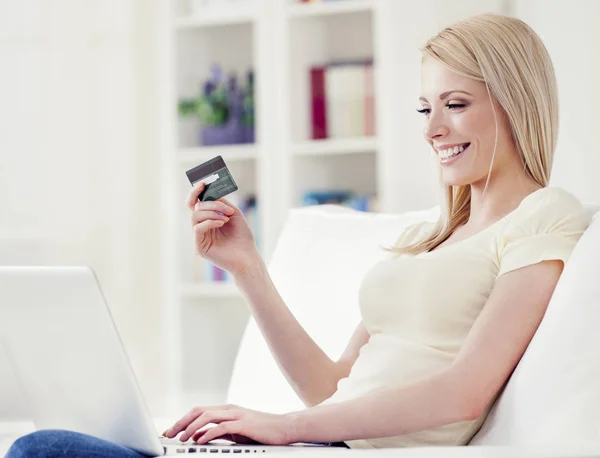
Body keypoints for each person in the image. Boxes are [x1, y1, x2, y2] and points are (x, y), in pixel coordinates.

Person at [7, 12, 591, 457]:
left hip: (358, 449)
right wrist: (248, 269)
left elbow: (464, 391)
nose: (434, 129)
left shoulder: (546, 216)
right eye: (424, 109)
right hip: (321, 444)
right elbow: (332, 388)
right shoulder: (426, 236)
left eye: (456, 104)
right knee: (54, 441)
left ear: (515, 105)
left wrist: (282, 428)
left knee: (42, 450)